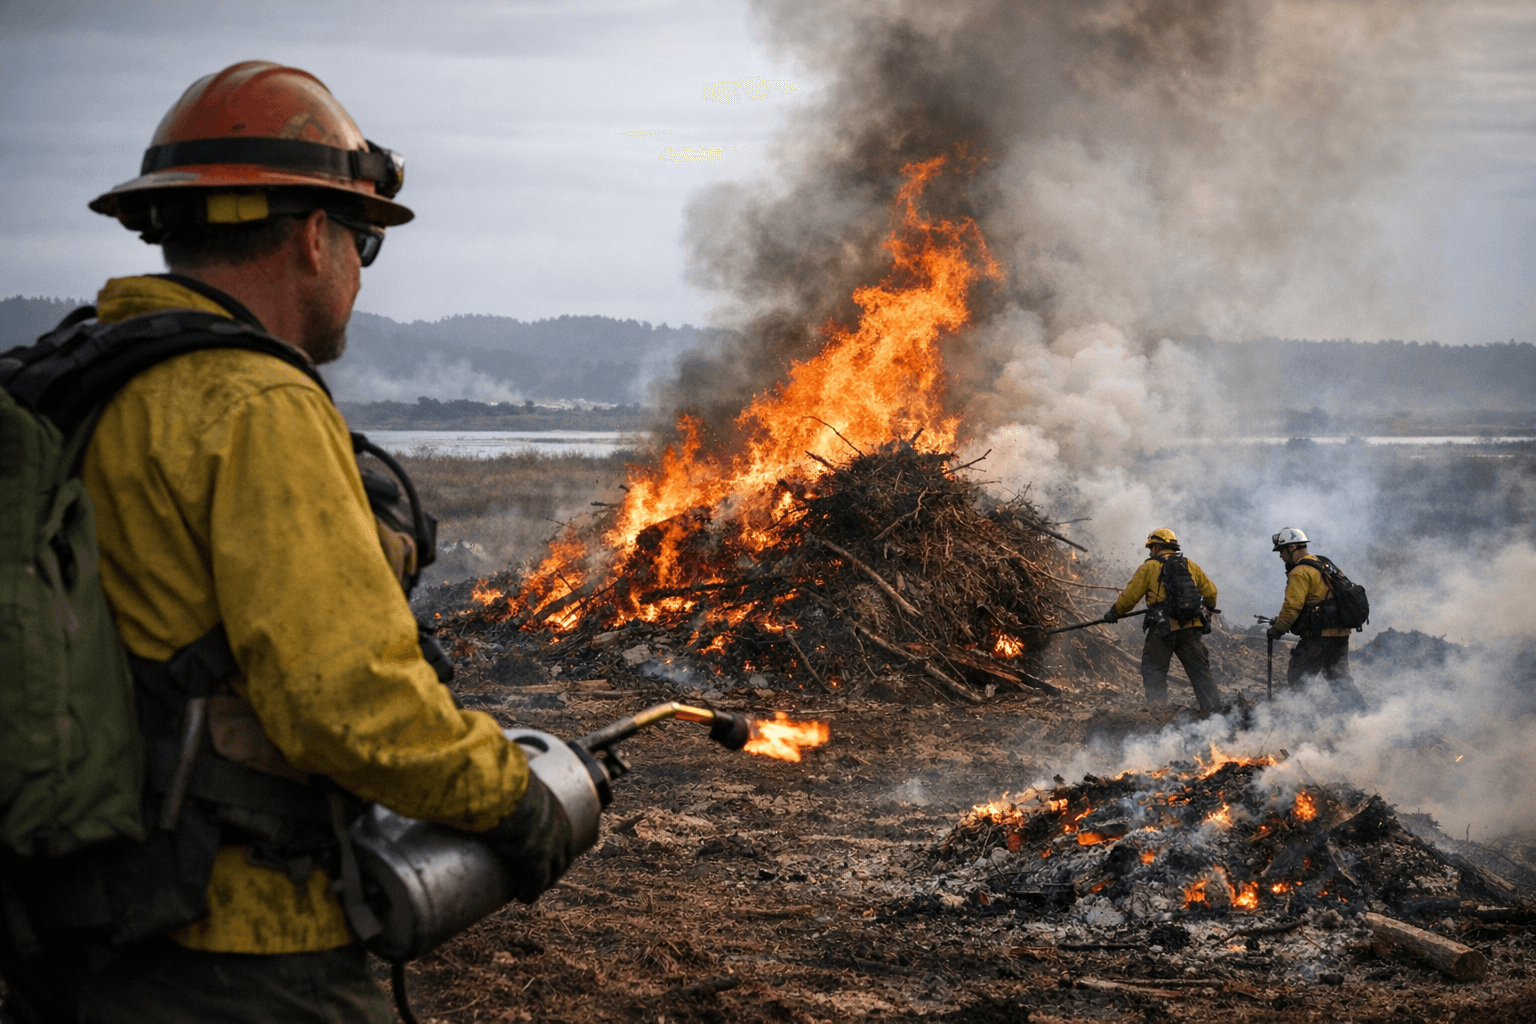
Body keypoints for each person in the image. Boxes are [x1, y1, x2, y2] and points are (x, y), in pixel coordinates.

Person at [0, 61, 568, 1023]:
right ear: (314, 237)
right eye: (362, 242)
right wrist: (514, 800)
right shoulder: (254, 401)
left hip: (71, 928)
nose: (355, 271)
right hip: (240, 939)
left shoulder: (75, 381)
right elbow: (347, 700)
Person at [1103, 528, 1221, 711]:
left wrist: (1114, 613)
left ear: (1157, 547)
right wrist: (1209, 611)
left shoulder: (1149, 567)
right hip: (1191, 627)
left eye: (1151, 548)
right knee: (1200, 673)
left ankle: (1159, 714)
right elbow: (1211, 593)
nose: (1150, 552)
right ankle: (1215, 714)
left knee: (1154, 670)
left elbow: (1130, 597)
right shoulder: (1191, 566)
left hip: (1163, 629)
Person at [1266, 528, 1367, 710]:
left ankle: (1303, 721)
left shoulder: (1300, 572)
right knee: (1339, 678)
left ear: (1292, 548)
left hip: (1319, 636)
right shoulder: (1323, 563)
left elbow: (1292, 606)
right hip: (1341, 633)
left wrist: (1278, 629)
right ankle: (1363, 718)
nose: (1281, 557)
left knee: (1298, 677)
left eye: (1281, 551)